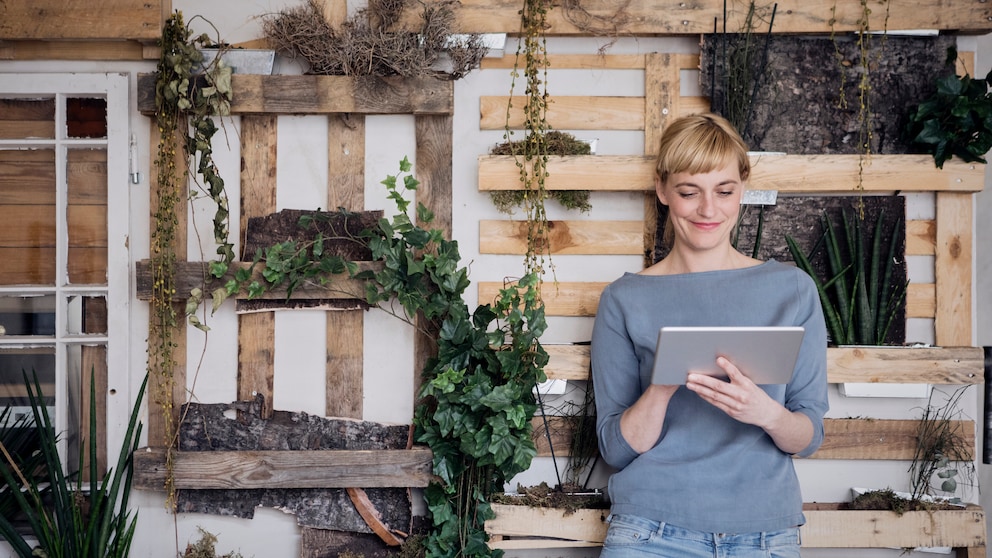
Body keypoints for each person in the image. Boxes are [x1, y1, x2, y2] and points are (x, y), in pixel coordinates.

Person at [590, 112, 829, 558]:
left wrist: (766, 413)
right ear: (662, 190)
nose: (708, 210)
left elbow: (809, 435)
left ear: (742, 190)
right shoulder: (625, 299)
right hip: (649, 531)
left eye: (724, 191)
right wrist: (660, 390)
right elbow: (615, 451)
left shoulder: (792, 290)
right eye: (688, 192)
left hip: (764, 534)